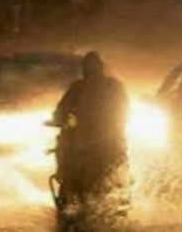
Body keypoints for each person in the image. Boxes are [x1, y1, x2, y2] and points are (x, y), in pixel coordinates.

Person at [52, 51, 130, 218]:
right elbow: (61, 111)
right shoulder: (80, 88)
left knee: (117, 168)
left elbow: (124, 111)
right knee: (65, 155)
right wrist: (60, 120)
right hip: (91, 141)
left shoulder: (108, 87)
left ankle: (119, 197)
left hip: (105, 141)